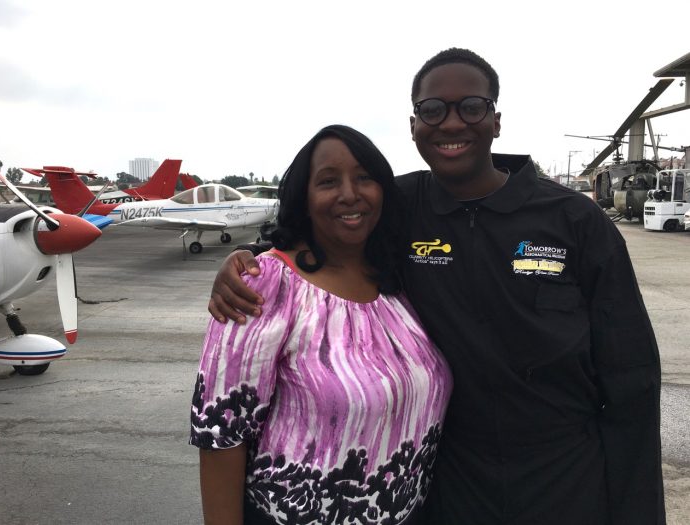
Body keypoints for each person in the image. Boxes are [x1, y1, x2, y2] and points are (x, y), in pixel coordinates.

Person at [208, 48, 666, 524]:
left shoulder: (574, 220)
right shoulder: (399, 206)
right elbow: (320, 227)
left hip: (564, 479)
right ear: (414, 125)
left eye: (471, 107)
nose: (451, 123)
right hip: (451, 487)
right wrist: (247, 261)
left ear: (496, 120)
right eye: (433, 110)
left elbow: (632, 379)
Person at [190, 124, 453, 524]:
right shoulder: (264, 286)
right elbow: (221, 435)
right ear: (305, 198)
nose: (350, 193)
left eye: (364, 177)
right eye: (328, 181)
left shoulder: (395, 282)